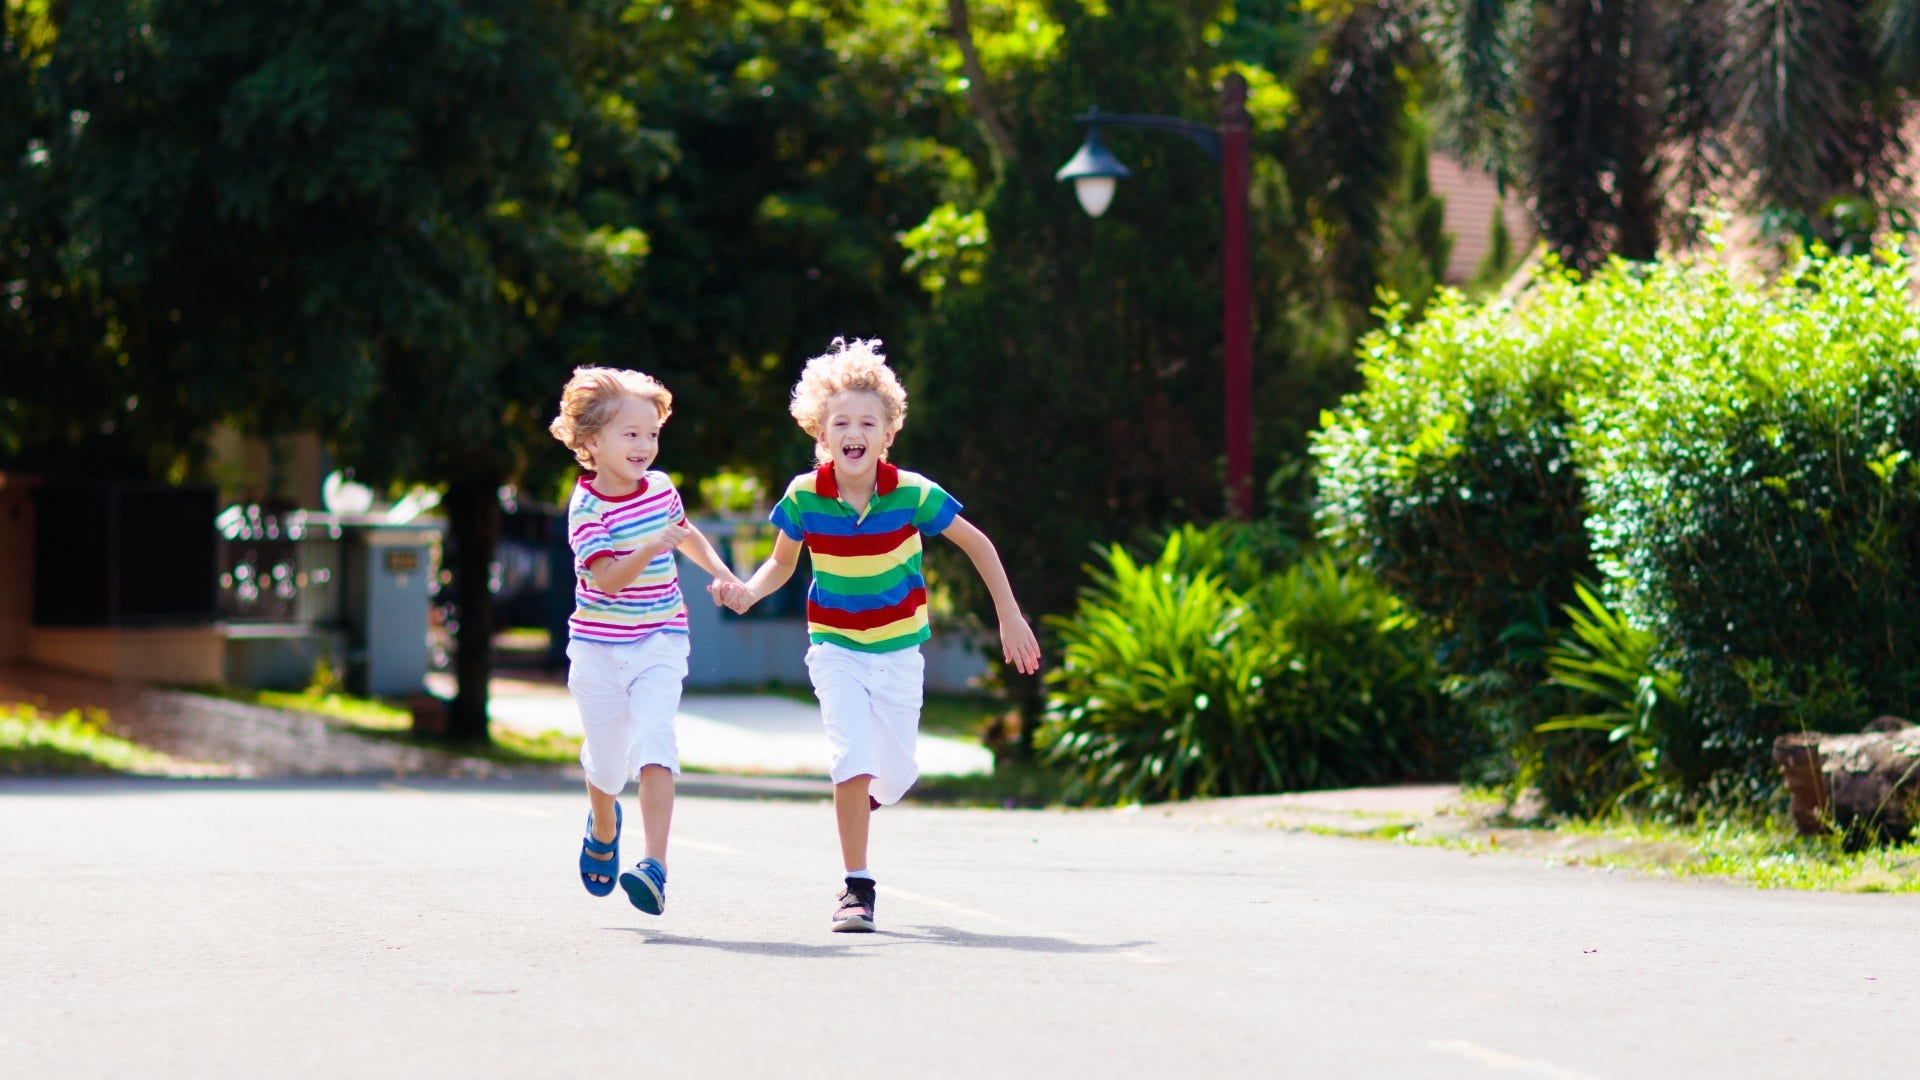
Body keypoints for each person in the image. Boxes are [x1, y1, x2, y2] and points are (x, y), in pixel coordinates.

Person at [715, 337, 1041, 932]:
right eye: (841, 422)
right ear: (822, 433)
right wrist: (747, 590)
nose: (853, 431)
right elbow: (782, 564)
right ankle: (856, 889)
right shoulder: (804, 495)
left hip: (899, 652)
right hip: (836, 647)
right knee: (852, 758)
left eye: (868, 421)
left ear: (888, 434)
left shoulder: (913, 492)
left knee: (895, 774)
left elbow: (978, 544)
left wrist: (1009, 614)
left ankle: (859, 799)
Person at [548, 366, 742, 915]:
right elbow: (606, 579)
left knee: (657, 740)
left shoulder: (660, 489)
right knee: (608, 767)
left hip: (660, 638)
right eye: (630, 434)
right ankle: (604, 822)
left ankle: (654, 866)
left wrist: (723, 575)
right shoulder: (585, 508)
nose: (645, 445)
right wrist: (653, 545)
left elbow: (687, 535)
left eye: (652, 433)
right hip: (598, 648)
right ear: (591, 441)